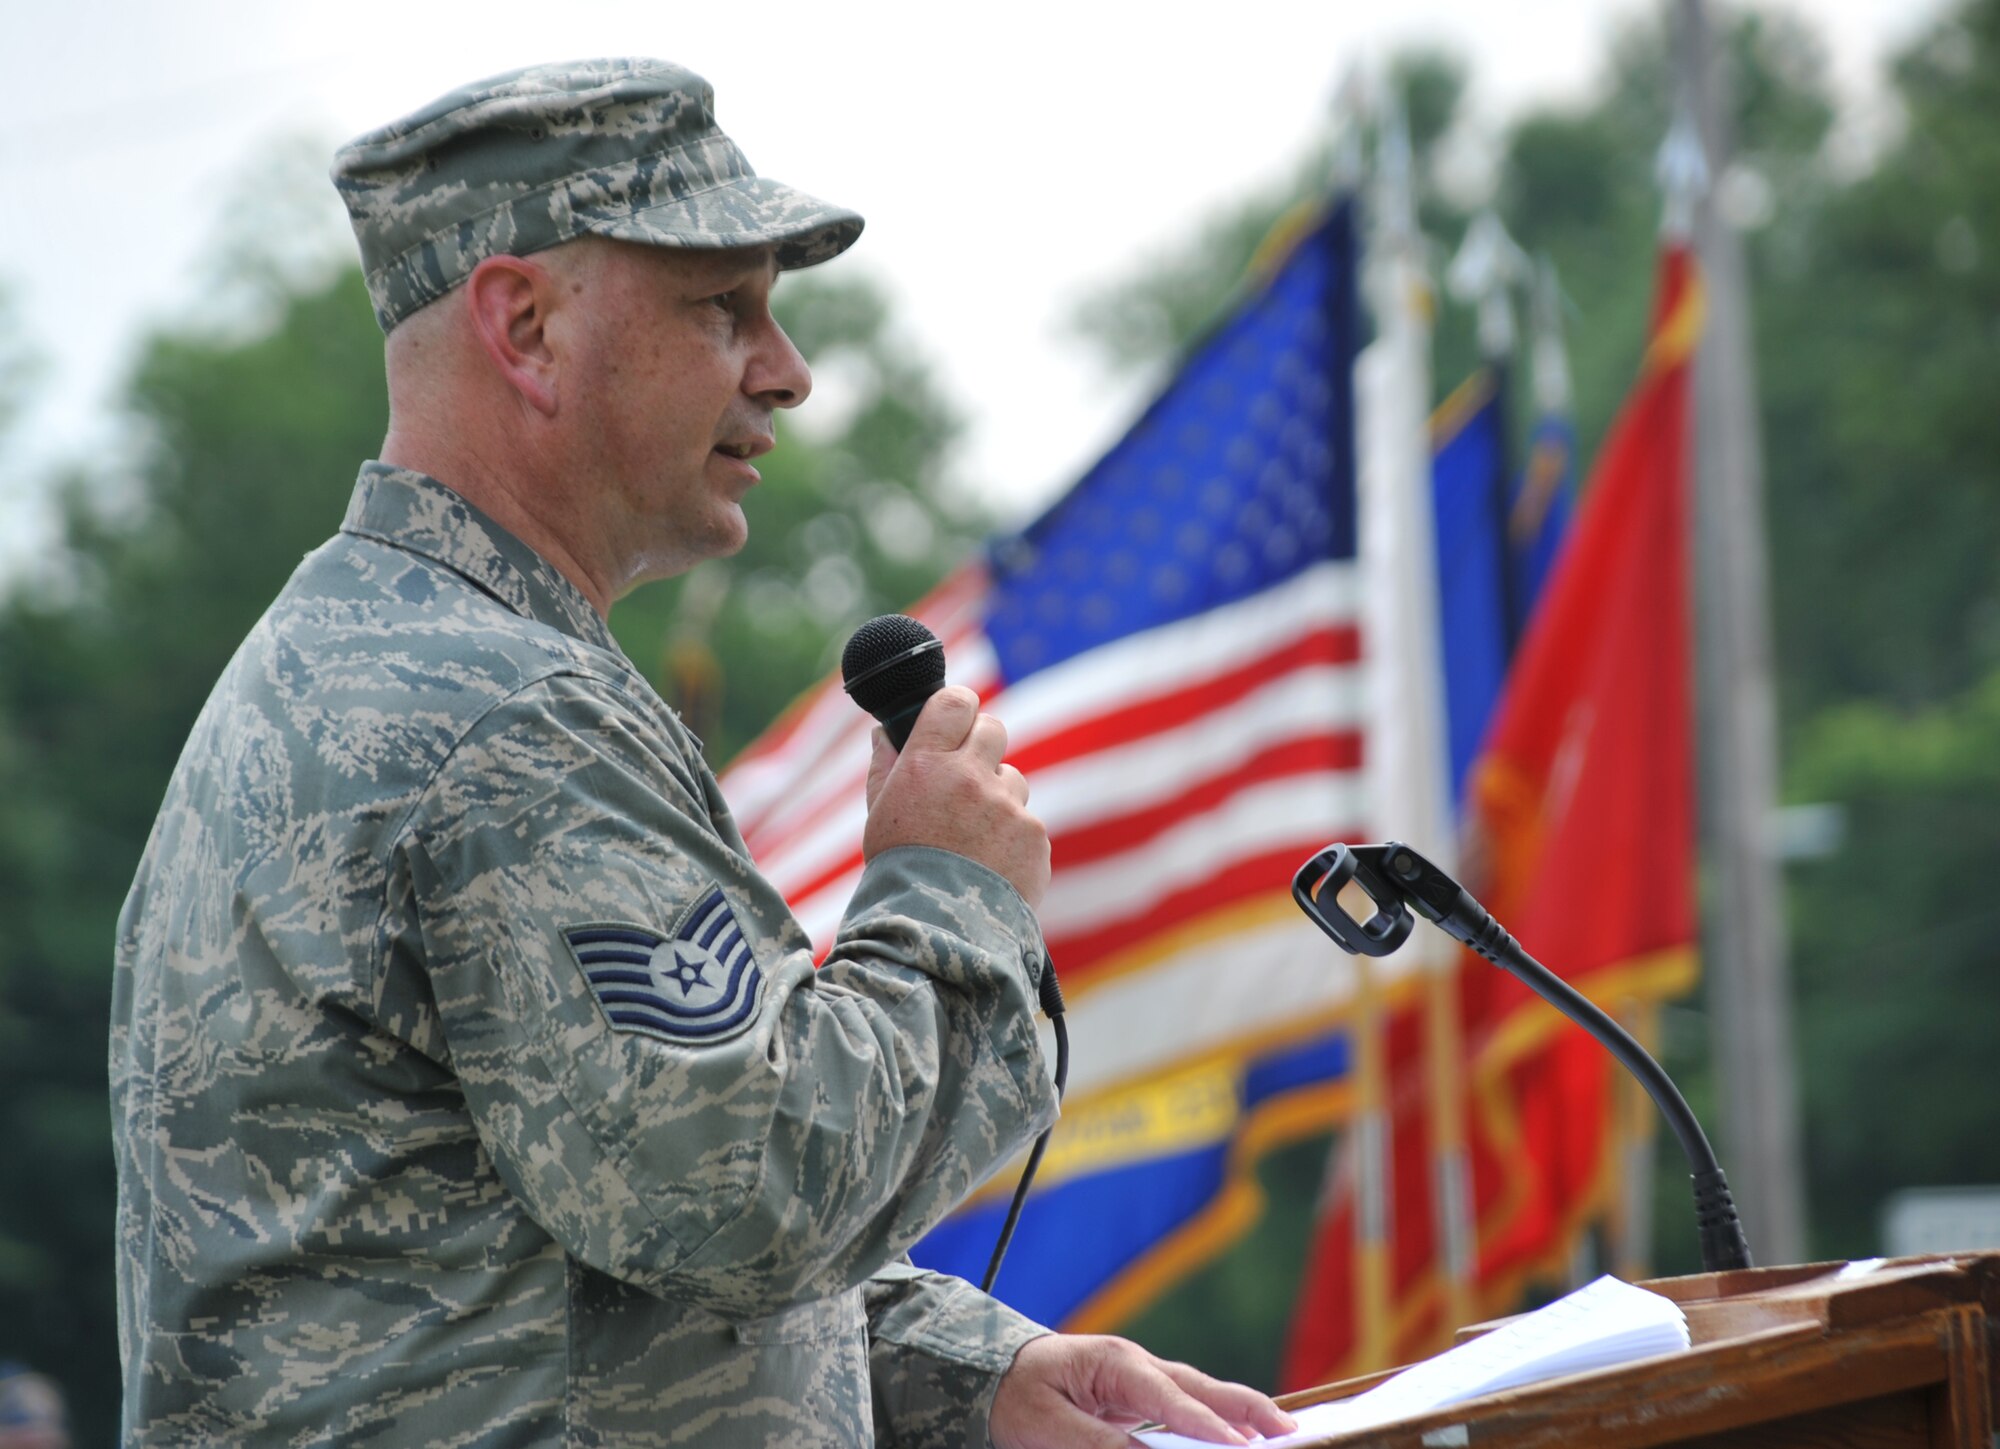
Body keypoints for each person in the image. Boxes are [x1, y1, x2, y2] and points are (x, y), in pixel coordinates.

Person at [110, 59, 1297, 1449]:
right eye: (721, 307)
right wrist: (946, 899)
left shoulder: (367, 664)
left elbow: (591, 1256)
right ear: (527, 325)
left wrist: (971, 1374)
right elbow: (746, 1192)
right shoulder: (507, 721)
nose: (785, 370)